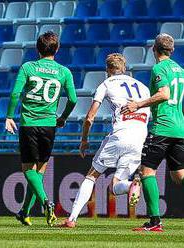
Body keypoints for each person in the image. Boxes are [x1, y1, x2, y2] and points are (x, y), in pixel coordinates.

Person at [58, 53, 151, 228]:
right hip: (140, 136)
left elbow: (89, 118)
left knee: (92, 176)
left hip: (120, 134)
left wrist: (84, 140)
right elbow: (148, 115)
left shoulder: (106, 84)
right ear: (124, 68)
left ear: (108, 70)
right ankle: (132, 184)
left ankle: (71, 219)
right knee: (115, 186)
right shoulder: (143, 87)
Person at [5, 31, 77, 226]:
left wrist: (9, 116)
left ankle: (46, 202)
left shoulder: (28, 67)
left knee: (28, 170)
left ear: (37, 49)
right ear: (57, 49)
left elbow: (15, 94)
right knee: (39, 171)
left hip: (29, 124)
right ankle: (25, 211)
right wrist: (62, 118)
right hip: (49, 126)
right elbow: (73, 99)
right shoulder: (64, 72)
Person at [121, 34, 184, 232]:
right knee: (179, 176)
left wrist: (137, 105)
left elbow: (164, 94)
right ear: (172, 50)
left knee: (147, 172)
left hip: (162, 127)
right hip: (179, 127)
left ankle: (155, 221)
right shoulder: (180, 70)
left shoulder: (159, 68)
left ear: (153, 49)